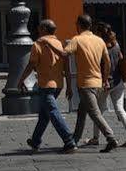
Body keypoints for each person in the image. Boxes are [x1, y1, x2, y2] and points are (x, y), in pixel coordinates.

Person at [65, 14, 118, 153]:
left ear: (79, 25)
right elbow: (107, 62)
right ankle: (73, 141)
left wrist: (49, 44)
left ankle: (111, 137)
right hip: (97, 82)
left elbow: (65, 53)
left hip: (85, 84)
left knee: (95, 113)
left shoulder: (77, 39)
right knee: (82, 112)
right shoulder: (99, 41)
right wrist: (104, 79)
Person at [25, 19, 76, 153]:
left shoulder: (38, 44)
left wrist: (21, 80)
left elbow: (31, 65)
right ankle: (35, 140)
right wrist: (69, 87)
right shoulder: (59, 44)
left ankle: (69, 141)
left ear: (43, 29)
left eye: (39, 27)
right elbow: (67, 68)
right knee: (44, 114)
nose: (37, 29)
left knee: (52, 112)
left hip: (46, 85)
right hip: (58, 85)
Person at [102, 26, 126, 147]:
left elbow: (105, 66)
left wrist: (105, 79)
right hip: (119, 82)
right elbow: (121, 59)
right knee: (120, 109)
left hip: (106, 83)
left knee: (98, 112)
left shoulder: (102, 48)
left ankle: (95, 137)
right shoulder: (117, 46)